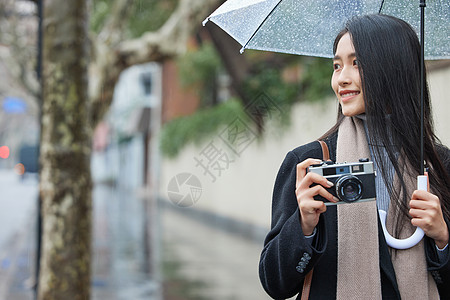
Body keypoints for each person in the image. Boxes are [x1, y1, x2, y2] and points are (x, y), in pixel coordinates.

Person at [259, 14, 450, 300]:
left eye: (356, 63)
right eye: (337, 66)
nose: (341, 79)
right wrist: (303, 226)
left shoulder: (438, 166)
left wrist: (443, 238)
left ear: (394, 68)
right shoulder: (312, 163)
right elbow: (275, 283)